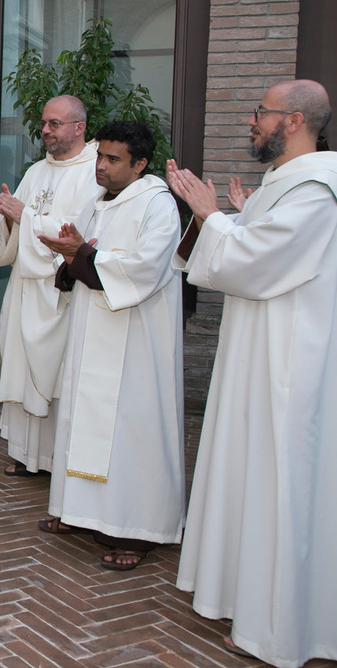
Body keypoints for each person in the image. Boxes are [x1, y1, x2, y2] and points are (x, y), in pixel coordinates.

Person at [168, 79, 337, 666]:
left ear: (293, 121)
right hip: (260, 353)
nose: (251, 122)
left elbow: (257, 264)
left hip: (289, 365)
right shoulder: (282, 186)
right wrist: (234, 219)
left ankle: (280, 628)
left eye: (260, 113)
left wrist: (212, 217)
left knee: (280, 480)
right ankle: (247, 596)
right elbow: (256, 249)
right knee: (253, 474)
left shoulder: (317, 190)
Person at [34, 121, 184, 571]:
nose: (100, 166)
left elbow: (143, 269)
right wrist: (69, 256)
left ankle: (138, 530)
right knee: (85, 421)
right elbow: (82, 257)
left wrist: (82, 255)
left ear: (140, 164)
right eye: (100, 156)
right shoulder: (100, 201)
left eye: (113, 159)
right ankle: (80, 512)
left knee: (131, 433)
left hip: (136, 341)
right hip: (93, 332)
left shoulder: (157, 205)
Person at [0, 95, 99, 477]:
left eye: (55, 123)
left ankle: (55, 460)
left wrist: (27, 216)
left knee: (54, 374)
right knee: (20, 366)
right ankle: (25, 454)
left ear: (79, 127)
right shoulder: (37, 170)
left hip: (58, 291)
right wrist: (8, 215)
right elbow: (19, 221)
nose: (46, 130)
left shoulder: (93, 172)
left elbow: (79, 234)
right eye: (44, 123)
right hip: (25, 287)